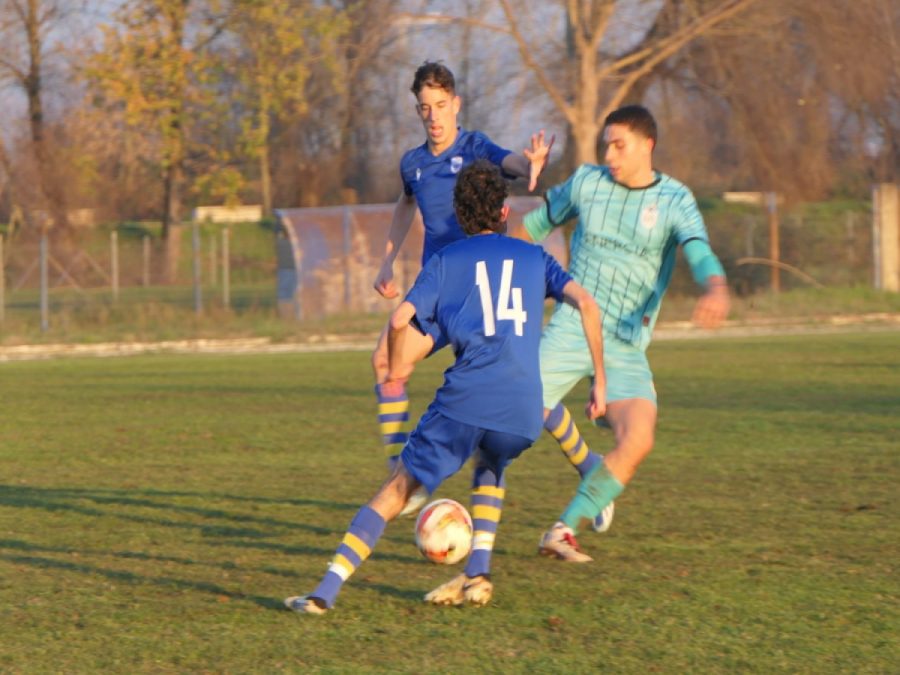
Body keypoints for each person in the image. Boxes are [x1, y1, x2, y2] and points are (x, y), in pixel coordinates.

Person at [285, 161, 605, 615]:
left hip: (466, 402)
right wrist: (600, 381)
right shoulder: (536, 257)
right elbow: (587, 305)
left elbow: (400, 319)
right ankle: (478, 573)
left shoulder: (447, 260)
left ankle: (324, 592)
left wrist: (396, 365)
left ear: (459, 216)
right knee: (492, 459)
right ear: (503, 211)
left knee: (397, 488)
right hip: (523, 413)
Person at [520, 105, 731, 562]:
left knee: (638, 438)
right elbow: (532, 228)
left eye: (619, 145)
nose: (609, 154)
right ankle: (430, 496)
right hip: (573, 326)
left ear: (647, 145)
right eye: (606, 145)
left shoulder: (675, 200)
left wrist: (715, 286)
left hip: (625, 344)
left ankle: (562, 530)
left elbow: (698, 251)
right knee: (504, 417)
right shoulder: (586, 183)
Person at [370, 62, 555, 515]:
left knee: (503, 392)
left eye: (439, 106)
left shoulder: (474, 147)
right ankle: (403, 473)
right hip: (437, 295)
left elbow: (507, 160)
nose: (433, 116)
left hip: (477, 295)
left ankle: (586, 462)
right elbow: (404, 204)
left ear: (456, 105)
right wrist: (387, 260)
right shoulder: (413, 164)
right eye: (424, 108)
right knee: (386, 363)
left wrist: (527, 164)